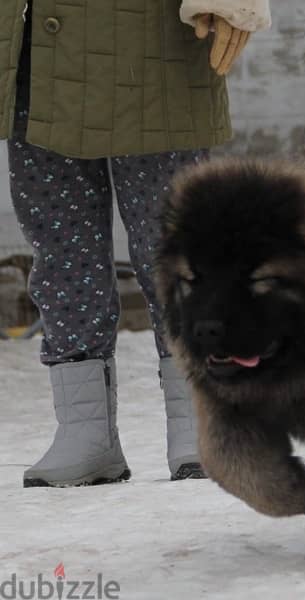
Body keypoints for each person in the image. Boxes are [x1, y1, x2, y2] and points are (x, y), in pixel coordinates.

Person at [0, 0, 271, 487]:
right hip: (30, 51)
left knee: (173, 239)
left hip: (152, 39)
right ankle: (85, 430)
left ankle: (199, 418)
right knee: (61, 249)